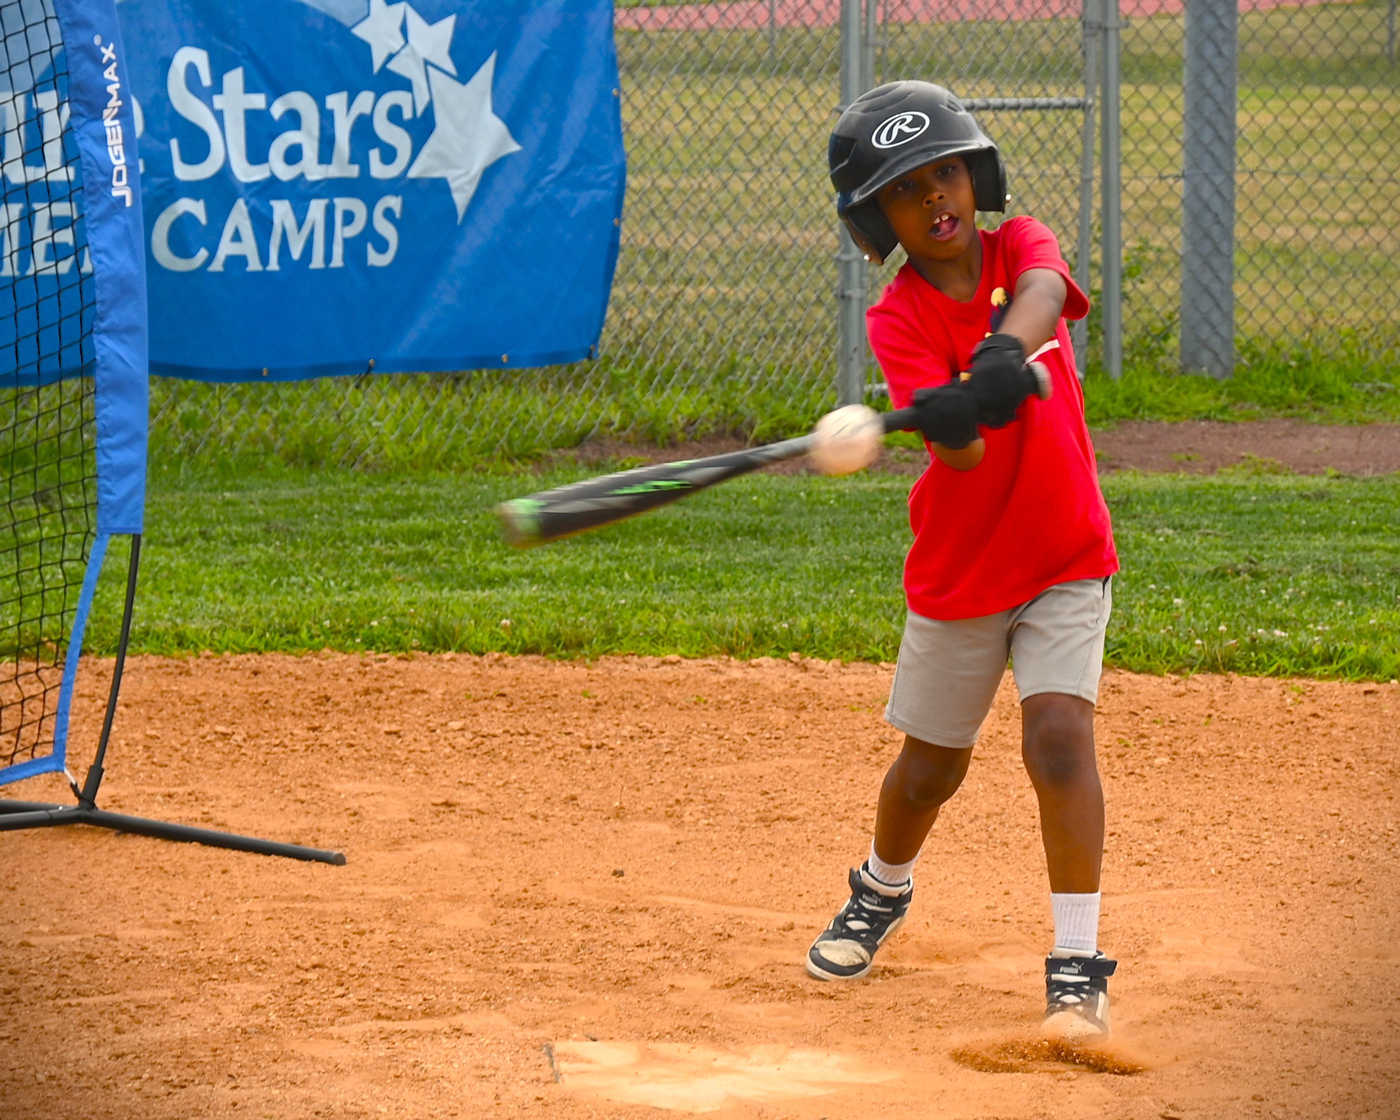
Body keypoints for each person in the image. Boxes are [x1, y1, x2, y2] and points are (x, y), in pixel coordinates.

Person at [806, 81, 1121, 1041]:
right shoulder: (896, 319)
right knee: (928, 771)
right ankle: (881, 885)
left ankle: (1076, 962)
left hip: (1065, 546)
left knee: (1059, 737)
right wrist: (952, 420)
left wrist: (995, 357)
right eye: (907, 189)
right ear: (880, 219)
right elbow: (966, 457)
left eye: (946, 171)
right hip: (962, 571)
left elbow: (1041, 297)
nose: (935, 197)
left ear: (974, 175)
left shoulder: (1018, 246)